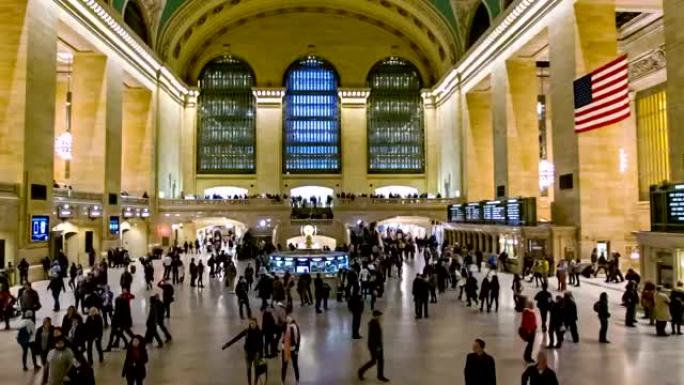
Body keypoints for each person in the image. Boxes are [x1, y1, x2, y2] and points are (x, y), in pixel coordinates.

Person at [222, 318, 264, 385]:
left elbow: (262, 345)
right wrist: (227, 344)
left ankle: (255, 382)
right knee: (248, 369)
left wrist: (261, 355)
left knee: (257, 369)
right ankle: (249, 383)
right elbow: (237, 338)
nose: (252, 325)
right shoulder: (247, 331)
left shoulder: (260, 332)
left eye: (253, 323)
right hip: (248, 354)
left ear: (256, 323)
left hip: (256, 354)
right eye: (250, 323)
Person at [358, 310, 389, 382]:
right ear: (377, 316)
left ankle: (380, 375)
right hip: (375, 346)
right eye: (380, 316)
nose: (382, 317)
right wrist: (378, 347)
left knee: (379, 361)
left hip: (375, 345)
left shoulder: (374, 322)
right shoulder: (374, 324)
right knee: (374, 361)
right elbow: (374, 337)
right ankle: (361, 371)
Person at [280, 315, 301, 384]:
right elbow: (280, 329)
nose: (288, 318)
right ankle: (283, 380)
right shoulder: (284, 325)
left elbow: (298, 338)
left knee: (295, 364)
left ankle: (297, 379)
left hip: (292, 349)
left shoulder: (295, 326)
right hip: (285, 348)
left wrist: (297, 349)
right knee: (284, 365)